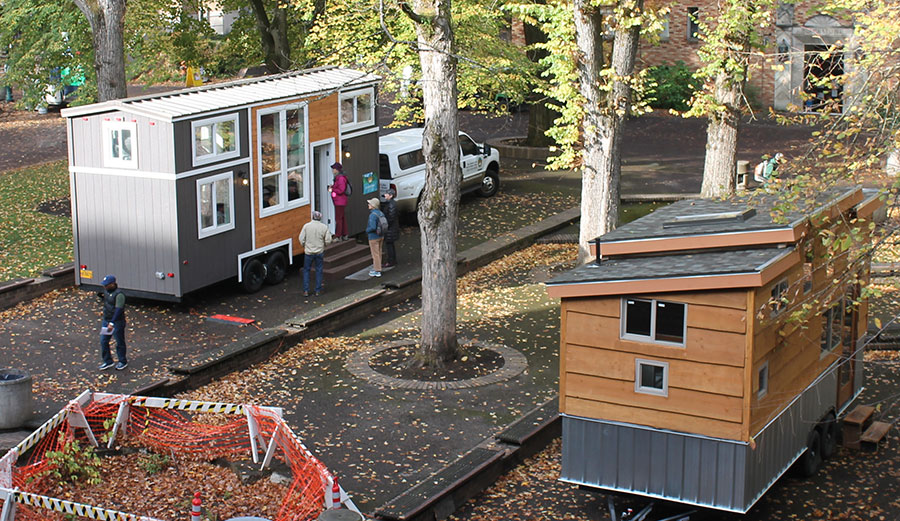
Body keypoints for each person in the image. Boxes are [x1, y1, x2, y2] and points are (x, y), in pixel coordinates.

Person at [298, 211, 333, 297]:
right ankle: (318, 290)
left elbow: (301, 238)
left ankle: (306, 290)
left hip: (308, 252)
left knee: (306, 270)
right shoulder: (324, 227)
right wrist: (324, 245)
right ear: (320, 218)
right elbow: (328, 240)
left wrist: (305, 245)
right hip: (319, 252)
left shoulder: (306, 226)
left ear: (312, 217)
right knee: (319, 270)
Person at [98, 275, 127, 370]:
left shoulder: (119, 295)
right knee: (104, 341)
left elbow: (119, 309)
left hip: (117, 322)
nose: (105, 287)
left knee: (119, 342)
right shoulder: (106, 292)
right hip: (107, 320)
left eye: (106, 285)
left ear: (112, 284)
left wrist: (112, 322)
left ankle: (122, 361)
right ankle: (108, 361)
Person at [328, 162, 350, 241]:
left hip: (339, 202)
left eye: (333, 169)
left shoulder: (340, 178)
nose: (332, 170)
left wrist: (332, 189)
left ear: (337, 170)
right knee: (342, 218)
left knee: (338, 219)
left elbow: (341, 190)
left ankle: (338, 236)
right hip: (341, 201)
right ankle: (345, 234)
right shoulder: (340, 178)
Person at [366, 198, 385, 278]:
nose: (368, 205)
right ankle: (378, 267)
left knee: (375, 254)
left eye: (370, 204)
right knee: (379, 252)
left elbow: (372, 227)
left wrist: (367, 230)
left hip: (373, 237)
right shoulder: (380, 213)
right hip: (381, 235)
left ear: (373, 206)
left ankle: (377, 270)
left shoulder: (372, 215)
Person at [382, 188, 400, 268]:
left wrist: (385, 225)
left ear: (391, 195)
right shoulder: (392, 204)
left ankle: (391, 261)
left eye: (386, 194)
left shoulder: (391, 205)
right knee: (390, 245)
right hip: (392, 228)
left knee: (389, 245)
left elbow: (390, 218)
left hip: (390, 229)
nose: (385, 195)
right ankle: (393, 260)